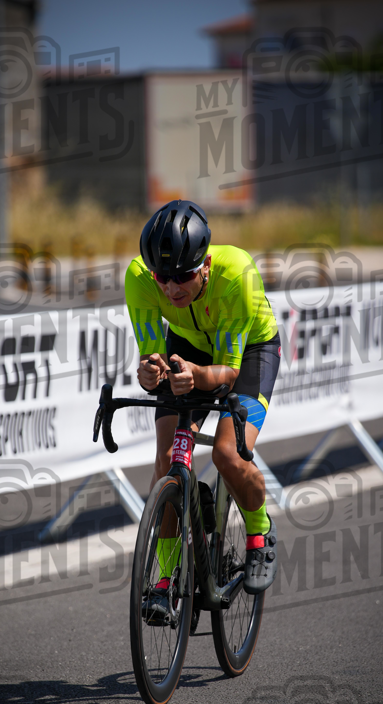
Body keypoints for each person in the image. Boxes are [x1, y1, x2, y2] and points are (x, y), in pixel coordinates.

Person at [125, 199, 280, 597]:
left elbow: (226, 372)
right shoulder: (140, 278)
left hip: (248, 354)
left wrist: (195, 376)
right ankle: (164, 576)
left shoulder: (237, 276)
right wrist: (150, 372)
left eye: (184, 276)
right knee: (166, 463)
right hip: (189, 348)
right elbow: (152, 354)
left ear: (206, 265)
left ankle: (260, 532)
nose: (172, 288)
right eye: (163, 277)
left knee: (228, 454)